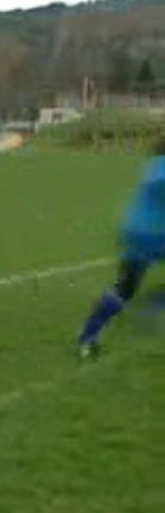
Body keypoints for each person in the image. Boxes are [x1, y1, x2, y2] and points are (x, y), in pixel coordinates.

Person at [76, 137, 165, 360]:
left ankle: (88, 337)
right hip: (157, 233)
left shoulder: (154, 164)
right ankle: (153, 305)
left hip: (132, 230)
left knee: (124, 288)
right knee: (130, 288)